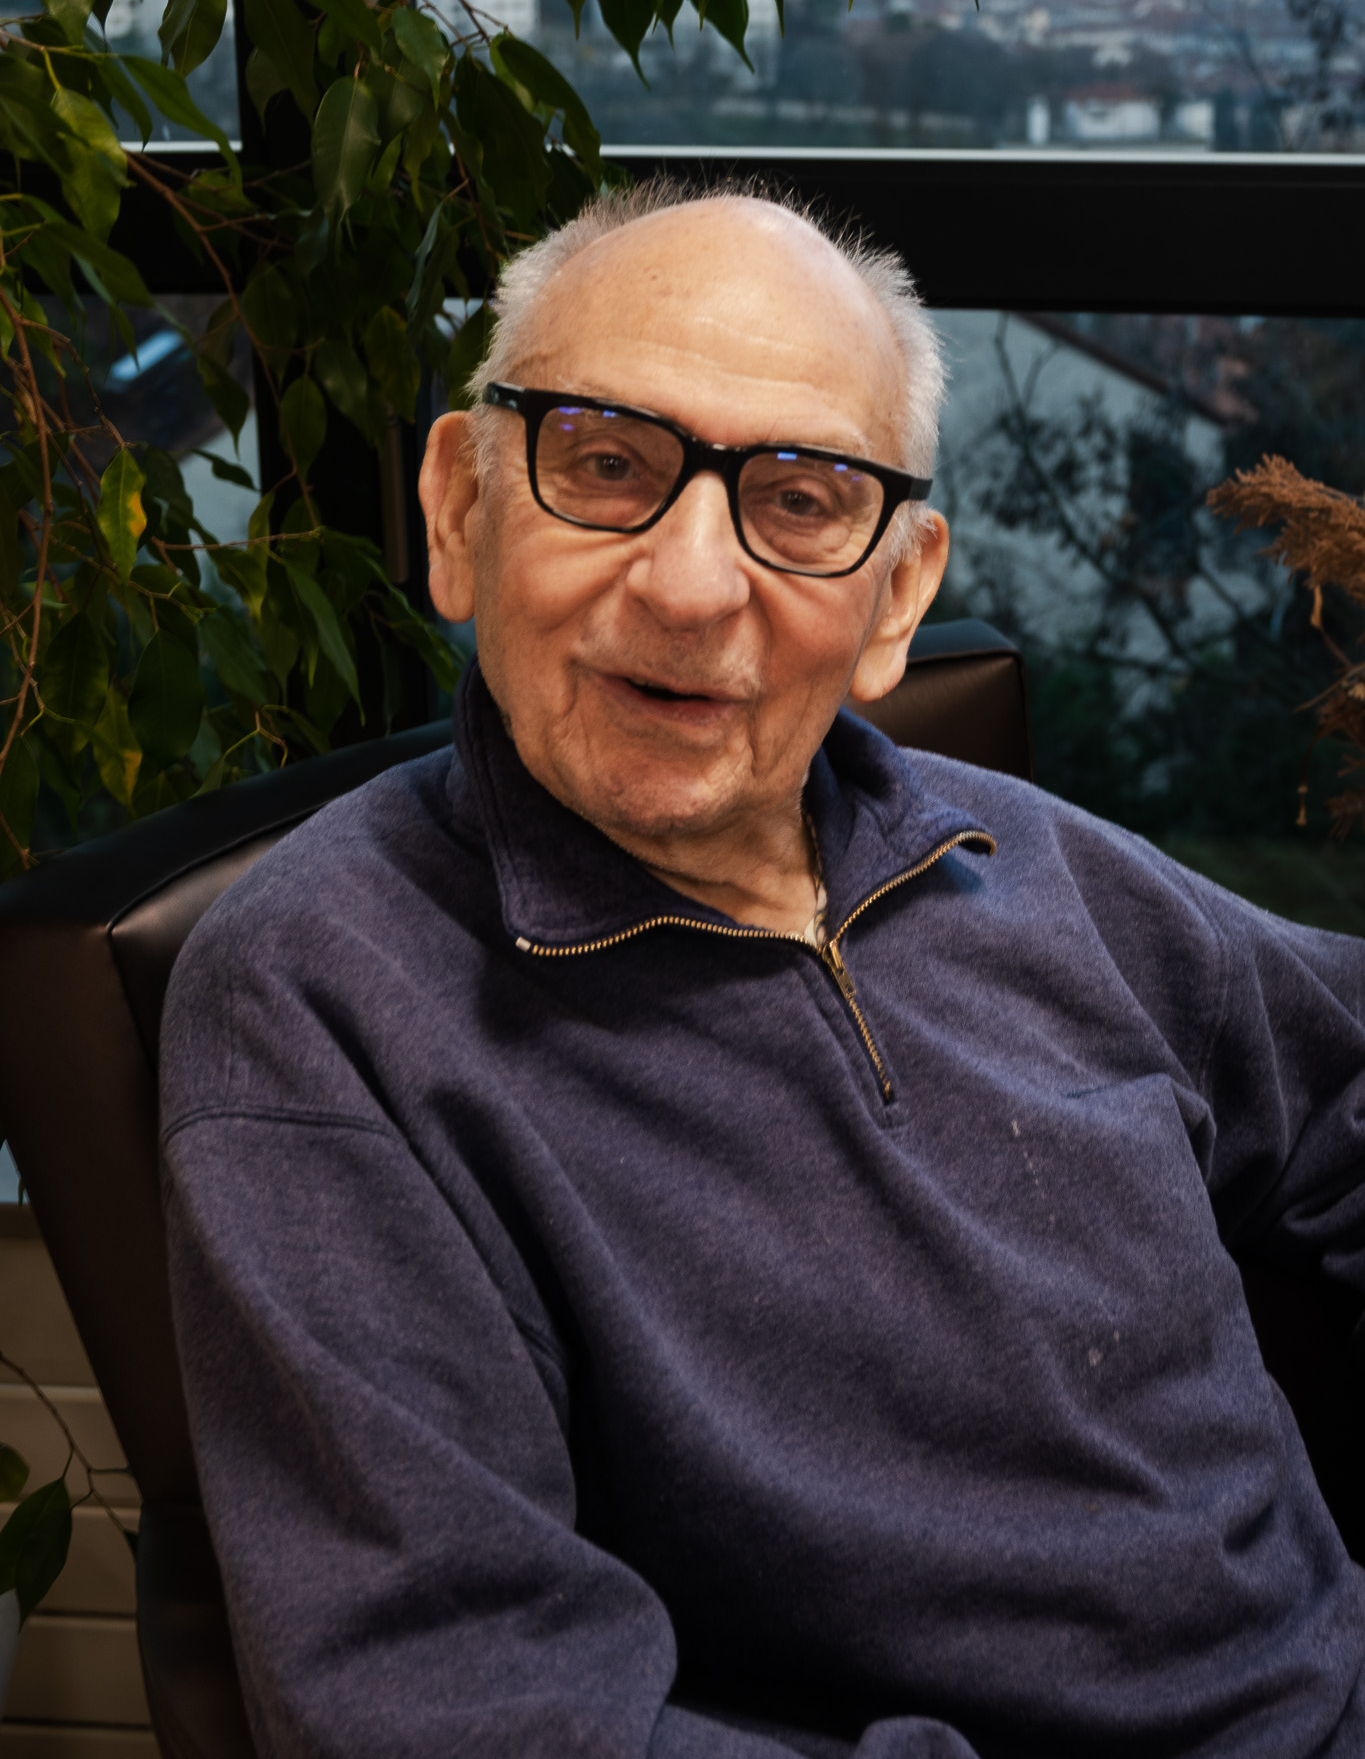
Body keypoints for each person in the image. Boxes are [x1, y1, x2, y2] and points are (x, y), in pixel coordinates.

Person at [161, 188, 1365, 1759]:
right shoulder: (324, 996)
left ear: (896, 595)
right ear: (459, 510)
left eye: (798, 500)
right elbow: (456, 1703)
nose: (687, 585)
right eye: (605, 465)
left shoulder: (1024, 858)